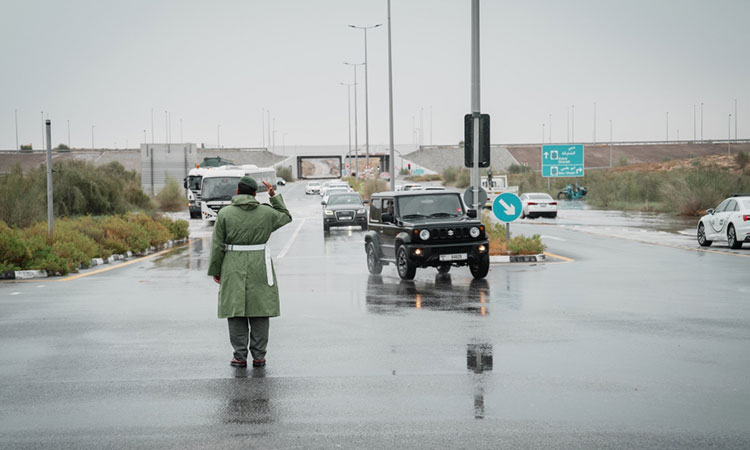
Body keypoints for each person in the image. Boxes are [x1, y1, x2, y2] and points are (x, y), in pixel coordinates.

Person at [207, 176, 292, 368]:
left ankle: (239, 356)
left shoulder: (225, 214)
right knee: (260, 310)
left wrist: (216, 270)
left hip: (232, 264)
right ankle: (259, 356)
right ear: (255, 193)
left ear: (237, 192)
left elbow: (218, 245)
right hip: (260, 264)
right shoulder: (266, 213)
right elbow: (285, 216)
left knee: (235, 310)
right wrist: (273, 196)